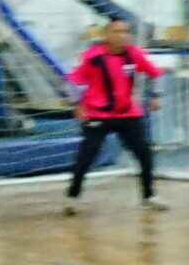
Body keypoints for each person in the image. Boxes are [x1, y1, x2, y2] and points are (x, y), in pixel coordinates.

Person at [61, 18, 165, 213]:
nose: (122, 35)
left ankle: (149, 196)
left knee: (144, 153)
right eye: (116, 31)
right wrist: (76, 104)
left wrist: (156, 95)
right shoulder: (93, 57)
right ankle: (72, 197)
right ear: (106, 35)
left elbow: (156, 73)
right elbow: (71, 81)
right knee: (86, 156)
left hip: (128, 113)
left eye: (125, 31)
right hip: (97, 114)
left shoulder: (134, 54)